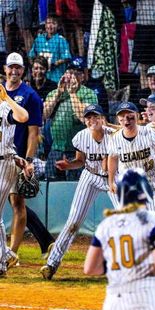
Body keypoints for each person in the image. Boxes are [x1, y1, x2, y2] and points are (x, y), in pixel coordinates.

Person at [84, 168, 155, 310]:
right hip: (144, 300)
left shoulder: (106, 225)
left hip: (113, 304)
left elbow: (90, 268)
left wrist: (119, 266)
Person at [40, 104, 118, 280]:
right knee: (73, 221)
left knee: (128, 218)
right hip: (89, 176)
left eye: (95, 116)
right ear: (84, 120)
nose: (92, 120)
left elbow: (110, 162)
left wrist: (110, 127)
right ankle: (52, 263)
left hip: (112, 177)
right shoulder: (81, 137)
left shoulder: (113, 135)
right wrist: (69, 165)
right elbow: (80, 161)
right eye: (88, 117)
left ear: (102, 118)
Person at [107, 102, 155, 257]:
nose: (126, 119)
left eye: (129, 115)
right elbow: (112, 158)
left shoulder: (148, 132)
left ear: (136, 116)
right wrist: (111, 181)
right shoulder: (115, 139)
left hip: (154, 184)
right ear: (118, 119)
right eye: (121, 116)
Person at [3, 52, 47, 265]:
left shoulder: (30, 95)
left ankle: (11, 253)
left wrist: (28, 160)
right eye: (11, 67)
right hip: (1, 157)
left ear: (23, 70)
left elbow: (33, 132)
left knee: (18, 203)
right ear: (5, 69)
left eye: (18, 68)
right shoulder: (1, 93)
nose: (14, 71)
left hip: (16, 158)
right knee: (13, 202)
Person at [43, 60, 98, 181]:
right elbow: (44, 114)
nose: (72, 75)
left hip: (77, 151)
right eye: (69, 72)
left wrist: (72, 94)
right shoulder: (55, 92)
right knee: (49, 183)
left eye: (76, 73)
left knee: (73, 186)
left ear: (82, 76)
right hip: (56, 147)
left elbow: (84, 118)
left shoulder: (89, 94)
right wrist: (58, 93)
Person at [0, 83, 29, 277]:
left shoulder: (4, 107)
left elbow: (23, 117)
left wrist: (6, 98)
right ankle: (4, 257)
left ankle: (3, 259)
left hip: (3, 164)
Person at [28, 14, 72, 83]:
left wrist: (53, 64)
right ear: (45, 25)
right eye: (48, 23)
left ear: (58, 26)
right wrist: (35, 68)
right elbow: (31, 55)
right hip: (41, 78)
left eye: (53, 23)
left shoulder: (61, 40)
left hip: (55, 79)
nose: (50, 26)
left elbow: (66, 58)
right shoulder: (39, 39)